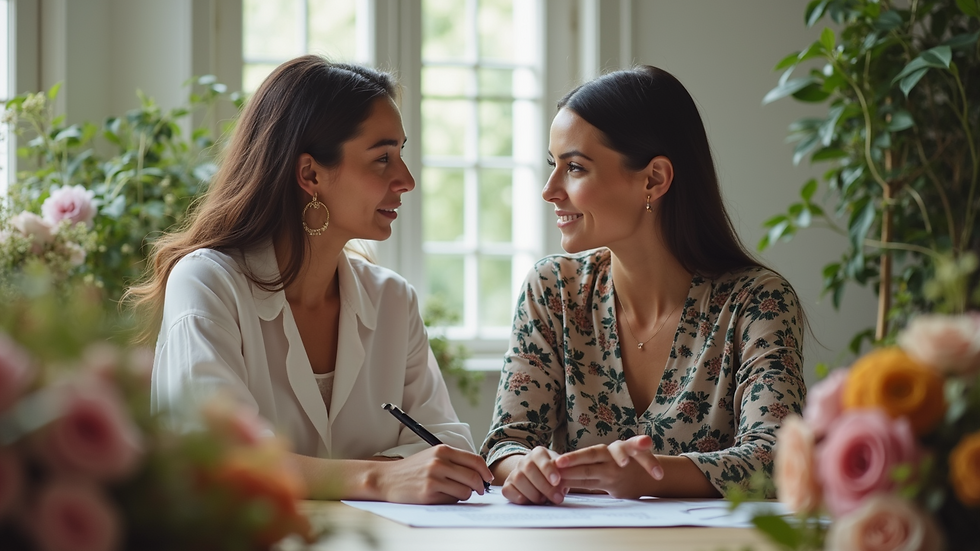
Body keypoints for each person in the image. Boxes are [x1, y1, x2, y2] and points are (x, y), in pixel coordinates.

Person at [128, 55, 492, 504]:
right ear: (310, 174)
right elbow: (214, 457)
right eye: (382, 158)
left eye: (401, 154)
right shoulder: (207, 283)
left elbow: (448, 448)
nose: (406, 180)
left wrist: (304, 472)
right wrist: (377, 478)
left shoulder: (393, 300)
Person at [481, 66, 806, 505]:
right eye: (552, 166)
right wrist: (525, 467)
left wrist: (651, 477)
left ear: (654, 179)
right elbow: (505, 442)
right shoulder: (553, 289)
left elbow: (778, 458)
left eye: (574, 167)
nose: (550, 190)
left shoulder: (759, 302)